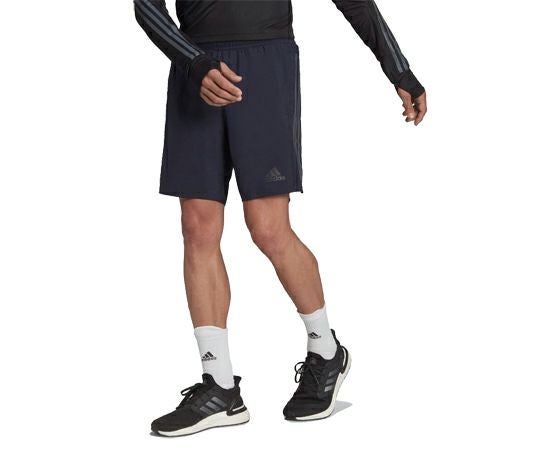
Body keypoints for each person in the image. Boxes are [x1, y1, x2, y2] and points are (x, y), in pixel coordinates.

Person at [134, 0, 427, 437]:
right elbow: (146, 5)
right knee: (197, 228)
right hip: (196, 67)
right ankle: (219, 387)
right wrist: (192, 61)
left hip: (265, 64)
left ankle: (326, 351)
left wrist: (398, 69)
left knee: (268, 228)